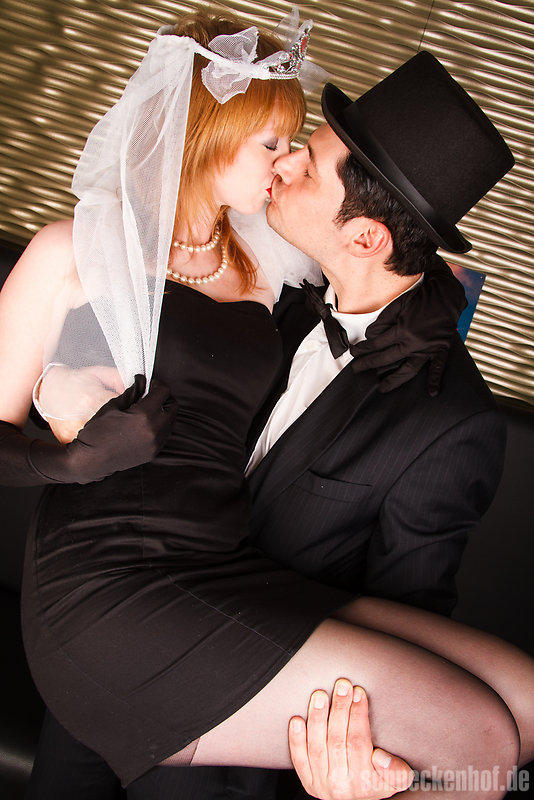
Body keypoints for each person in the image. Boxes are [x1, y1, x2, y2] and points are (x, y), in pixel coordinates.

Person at [1, 8, 532, 800]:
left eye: (302, 162)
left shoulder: (428, 402)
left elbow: (406, 602)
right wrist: (68, 440)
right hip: (118, 596)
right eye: (280, 146)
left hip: (236, 616)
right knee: (482, 745)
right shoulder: (228, 264)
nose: (284, 170)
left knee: (523, 702)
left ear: (366, 238)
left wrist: (361, 763)